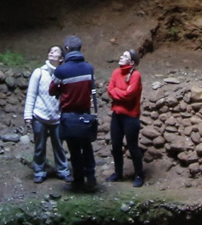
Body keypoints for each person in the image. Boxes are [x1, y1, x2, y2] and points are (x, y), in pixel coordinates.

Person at [49, 35, 98, 192]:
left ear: (67, 49)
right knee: (87, 147)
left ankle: (78, 181)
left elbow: (51, 90)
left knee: (74, 150)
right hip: (85, 115)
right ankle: (91, 177)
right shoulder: (89, 68)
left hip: (69, 115)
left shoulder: (61, 70)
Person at [24, 45, 70, 183]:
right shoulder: (39, 72)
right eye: (51, 50)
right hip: (39, 116)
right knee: (39, 146)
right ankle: (39, 171)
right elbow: (31, 94)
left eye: (55, 51)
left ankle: (63, 170)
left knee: (59, 146)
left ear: (61, 58)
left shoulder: (63, 74)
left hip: (57, 117)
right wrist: (28, 115)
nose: (51, 52)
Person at [107, 49, 146, 187]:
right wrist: (120, 92)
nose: (121, 57)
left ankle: (139, 174)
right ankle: (118, 173)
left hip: (130, 117)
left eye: (125, 56)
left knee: (132, 146)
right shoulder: (116, 73)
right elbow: (110, 90)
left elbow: (129, 95)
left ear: (132, 62)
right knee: (116, 145)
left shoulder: (136, 75)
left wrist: (116, 92)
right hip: (117, 115)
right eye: (122, 55)